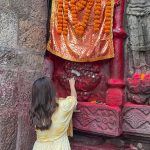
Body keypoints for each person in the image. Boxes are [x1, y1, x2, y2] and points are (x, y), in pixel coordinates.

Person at [30, 76, 77, 150]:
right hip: (60, 147)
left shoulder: (36, 111)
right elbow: (73, 100)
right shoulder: (63, 106)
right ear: (52, 91)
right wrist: (72, 85)